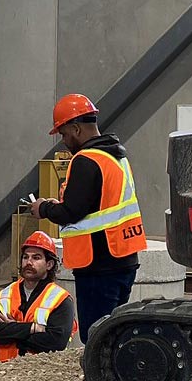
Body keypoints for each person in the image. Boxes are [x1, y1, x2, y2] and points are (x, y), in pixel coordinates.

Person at [30, 93, 145, 343]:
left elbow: (72, 211)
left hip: (98, 264)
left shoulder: (86, 160)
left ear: (76, 128)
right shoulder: (116, 156)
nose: (64, 141)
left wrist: (44, 208)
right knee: (113, 334)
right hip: (122, 258)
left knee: (96, 338)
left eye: (64, 133)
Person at [0, 231, 76, 362]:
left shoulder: (60, 299)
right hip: (4, 373)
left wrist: (13, 332)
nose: (29, 262)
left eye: (36, 258)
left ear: (49, 264)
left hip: (41, 374)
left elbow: (56, 342)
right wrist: (33, 328)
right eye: (25, 257)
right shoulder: (5, 295)